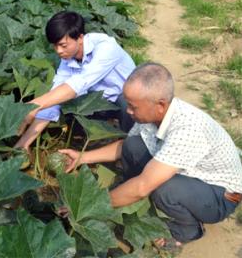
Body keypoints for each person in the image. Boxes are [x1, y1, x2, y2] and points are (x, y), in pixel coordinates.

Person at [60, 62, 242, 245]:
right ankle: (129, 197)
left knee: (164, 189)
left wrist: (87, 207)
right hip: (192, 173)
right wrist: (82, 157)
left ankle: (188, 230)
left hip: (221, 195)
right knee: (133, 145)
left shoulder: (187, 130)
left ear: (160, 105)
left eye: (133, 107)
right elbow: (125, 146)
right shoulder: (156, 111)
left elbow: (142, 186)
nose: (128, 111)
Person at [15, 11, 136, 150]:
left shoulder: (106, 48)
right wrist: (24, 143)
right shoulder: (67, 58)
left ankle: (128, 146)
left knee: (128, 104)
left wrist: (33, 105)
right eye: (55, 46)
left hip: (123, 98)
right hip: (99, 102)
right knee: (63, 105)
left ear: (80, 38)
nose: (59, 51)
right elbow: (55, 97)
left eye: (63, 45)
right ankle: (103, 135)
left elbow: (78, 84)